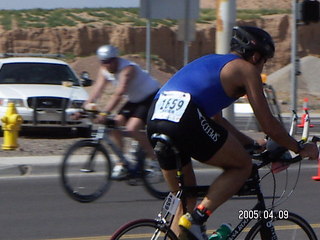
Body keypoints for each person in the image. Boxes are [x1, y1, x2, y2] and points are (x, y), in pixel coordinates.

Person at [146, 26, 319, 240]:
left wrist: (252, 144)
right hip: (185, 118)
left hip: (155, 118)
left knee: (185, 200)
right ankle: (198, 218)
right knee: (242, 166)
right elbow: (268, 124)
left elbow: (217, 120)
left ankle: (189, 222)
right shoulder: (245, 69)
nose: (261, 66)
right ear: (255, 56)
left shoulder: (212, 62)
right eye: (264, 61)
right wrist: (299, 148)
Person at [85, 45, 160, 179]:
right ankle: (122, 162)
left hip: (150, 96)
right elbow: (97, 90)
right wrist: (85, 107)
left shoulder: (127, 69)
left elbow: (119, 93)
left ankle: (155, 160)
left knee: (132, 128)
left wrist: (104, 113)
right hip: (134, 99)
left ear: (116, 58)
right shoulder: (104, 70)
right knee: (114, 124)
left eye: (110, 61)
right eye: (103, 62)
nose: (107, 65)